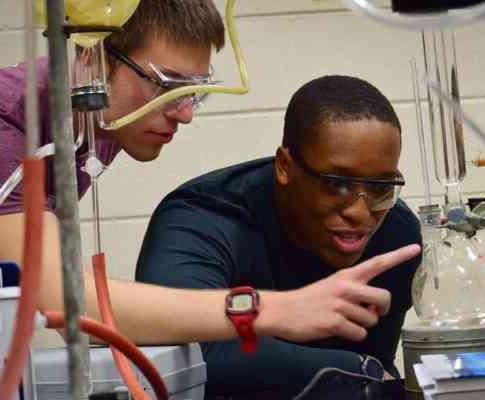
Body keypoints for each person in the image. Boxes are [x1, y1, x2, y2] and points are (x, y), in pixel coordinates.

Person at [0, 1, 420, 346]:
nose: (183, 114)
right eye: (167, 85)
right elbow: (60, 297)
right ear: (91, 58)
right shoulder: (13, 127)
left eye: (194, 92)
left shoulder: (102, 123)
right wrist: (274, 310)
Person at [136, 75, 422, 398]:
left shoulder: (397, 234)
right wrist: (356, 369)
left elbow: (378, 364)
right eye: (337, 184)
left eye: (381, 188)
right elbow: (190, 353)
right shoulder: (202, 219)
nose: (360, 211)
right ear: (285, 166)